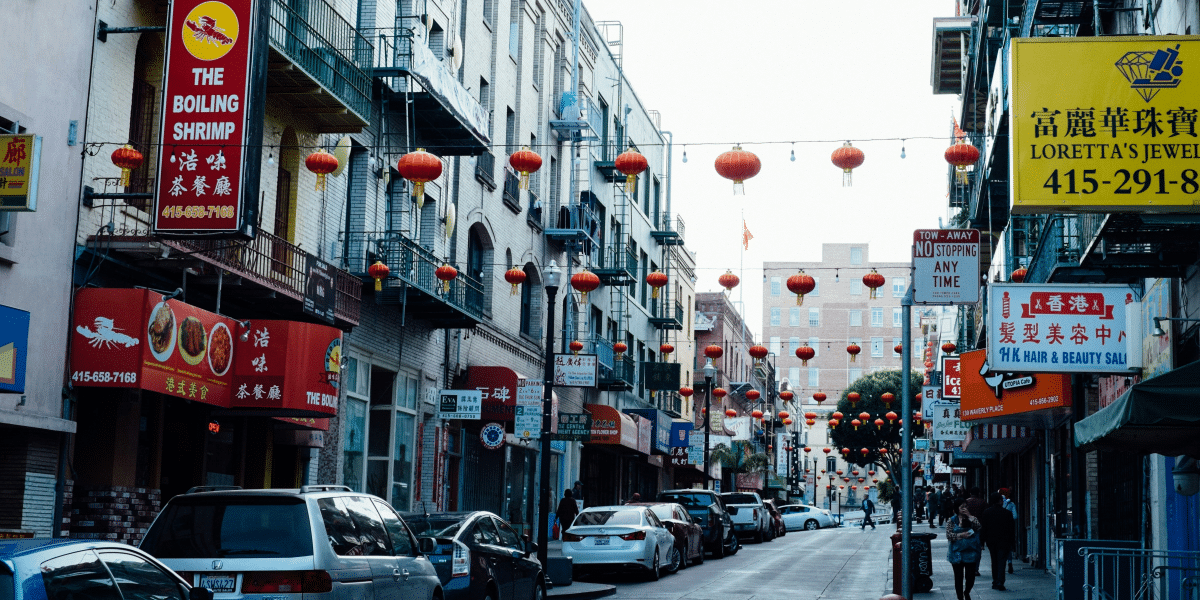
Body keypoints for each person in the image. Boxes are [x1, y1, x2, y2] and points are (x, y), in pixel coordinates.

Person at [946, 498, 983, 600]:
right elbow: (949, 535)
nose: (964, 509)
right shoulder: (952, 520)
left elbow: (979, 527)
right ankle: (960, 597)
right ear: (957, 508)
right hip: (956, 553)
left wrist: (970, 516)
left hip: (971, 552)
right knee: (958, 577)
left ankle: (967, 591)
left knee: (970, 577)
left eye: (965, 506)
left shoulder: (972, 518)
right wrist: (961, 535)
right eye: (962, 507)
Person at [981, 492, 1016, 591]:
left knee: (994, 561)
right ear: (1000, 501)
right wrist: (1013, 543)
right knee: (1002, 561)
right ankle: (1000, 581)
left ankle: (995, 580)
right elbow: (1011, 530)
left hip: (991, 541)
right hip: (1004, 541)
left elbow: (984, 528)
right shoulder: (1007, 513)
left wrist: (982, 542)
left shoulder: (986, 512)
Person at [999, 487, 1018, 574]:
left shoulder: (999, 503)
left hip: (999, 528)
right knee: (1008, 547)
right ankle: (1009, 562)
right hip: (1008, 528)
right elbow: (1015, 516)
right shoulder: (1011, 504)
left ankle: (1000, 562)